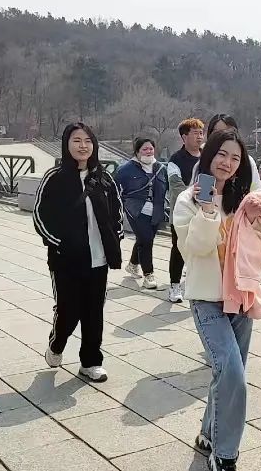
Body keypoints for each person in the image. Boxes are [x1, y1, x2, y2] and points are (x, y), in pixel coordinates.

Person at [172, 129, 261, 471]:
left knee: (228, 374)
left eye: (235, 158)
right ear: (209, 155)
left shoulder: (242, 201)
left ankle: (208, 433)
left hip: (240, 298)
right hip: (207, 299)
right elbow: (194, 248)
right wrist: (207, 210)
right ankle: (225, 455)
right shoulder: (187, 200)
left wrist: (257, 220)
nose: (227, 163)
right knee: (231, 374)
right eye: (222, 154)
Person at [33, 123, 123, 383]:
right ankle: (57, 343)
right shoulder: (55, 178)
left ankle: (91, 361)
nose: (83, 146)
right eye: (76, 140)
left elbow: (117, 213)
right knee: (68, 309)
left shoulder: (104, 178)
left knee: (94, 311)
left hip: (98, 258)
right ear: (66, 144)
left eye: (88, 140)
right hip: (66, 259)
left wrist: (114, 240)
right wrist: (59, 243)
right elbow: (40, 215)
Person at [115, 138, 167, 291]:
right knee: (147, 240)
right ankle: (149, 275)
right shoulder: (126, 169)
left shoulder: (161, 168)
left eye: (151, 148)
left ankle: (132, 264)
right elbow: (115, 188)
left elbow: (168, 188)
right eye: (145, 149)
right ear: (137, 152)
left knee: (143, 239)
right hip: (136, 210)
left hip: (156, 210)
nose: (148, 151)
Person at [164, 118, 205, 302]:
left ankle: (197, 282)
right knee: (179, 248)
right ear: (184, 137)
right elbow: (175, 185)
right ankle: (174, 285)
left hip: (204, 211)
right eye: (195, 133)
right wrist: (192, 193)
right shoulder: (175, 160)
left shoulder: (207, 157)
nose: (200, 137)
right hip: (181, 212)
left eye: (201, 133)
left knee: (203, 247)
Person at [205, 114, 261, 191]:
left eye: (228, 131)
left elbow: (257, 190)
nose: (226, 163)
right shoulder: (203, 160)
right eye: (217, 132)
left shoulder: (247, 161)